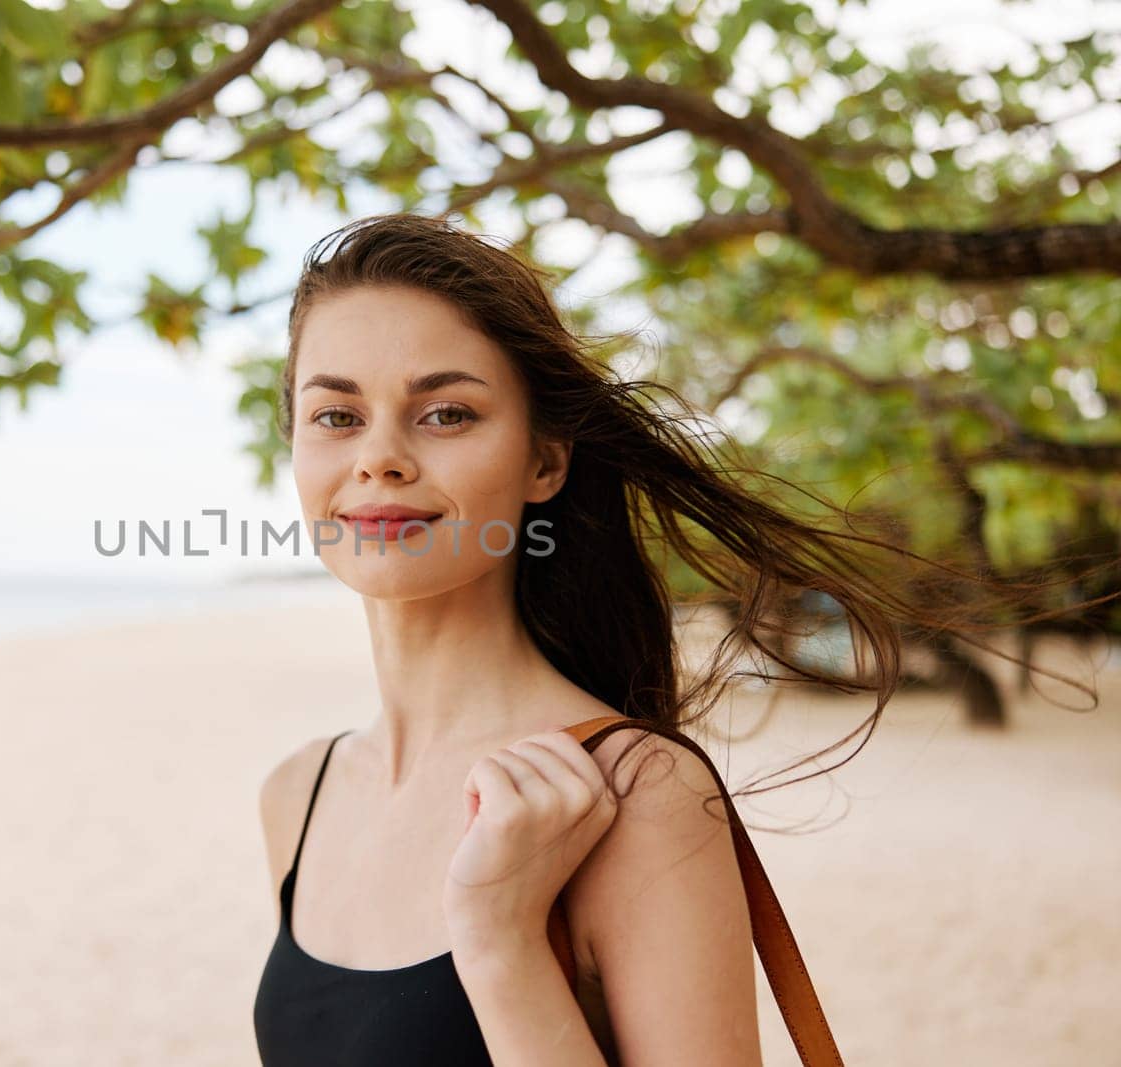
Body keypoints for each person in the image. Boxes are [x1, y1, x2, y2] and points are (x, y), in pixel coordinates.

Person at [250, 211, 1091, 1066]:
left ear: (545, 461)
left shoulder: (637, 794)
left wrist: (500, 942)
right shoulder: (298, 794)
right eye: (336, 415)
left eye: (447, 413)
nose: (380, 457)